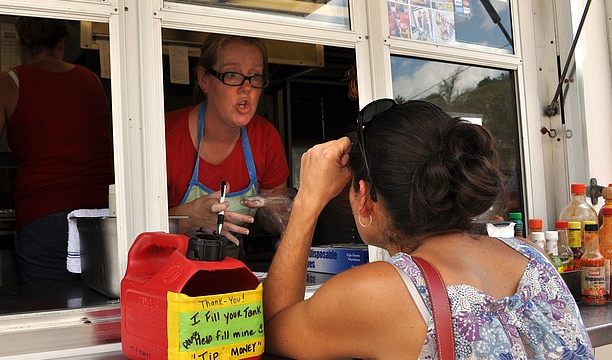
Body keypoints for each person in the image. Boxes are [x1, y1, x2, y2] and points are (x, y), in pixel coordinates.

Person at [263, 99, 593, 359]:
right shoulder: (533, 256)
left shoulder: (380, 291)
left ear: (365, 198)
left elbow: (274, 328)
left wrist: (307, 200)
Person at [0, 16, 113, 284]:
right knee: (97, 308)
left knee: (50, 310)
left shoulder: (8, 83)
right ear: (63, 41)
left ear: (21, 42)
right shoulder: (91, 80)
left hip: (44, 215)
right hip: (98, 214)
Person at [165, 34, 290, 259]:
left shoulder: (265, 137)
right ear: (204, 79)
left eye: (255, 76)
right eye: (232, 74)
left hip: (231, 270)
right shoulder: (165, 135)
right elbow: (135, 221)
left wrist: (280, 214)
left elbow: (269, 221)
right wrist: (189, 217)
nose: (246, 88)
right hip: (165, 272)